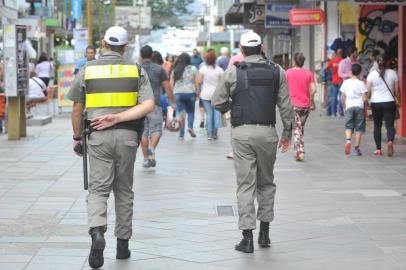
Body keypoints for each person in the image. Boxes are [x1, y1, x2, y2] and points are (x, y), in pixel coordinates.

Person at [67, 26, 154, 269]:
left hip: (97, 136)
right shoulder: (136, 70)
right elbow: (149, 104)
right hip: (127, 137)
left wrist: (77, 137)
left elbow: (76, 107)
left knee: (98, 190)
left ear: (103, 43)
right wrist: (119, 118)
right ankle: (123, 245)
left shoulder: (87, 69)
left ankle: (97, 233)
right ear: (125, 47)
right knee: (124, 190)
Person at [212, 31, 294, 253]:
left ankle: (247, 238)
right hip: (268, 133)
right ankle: (265, 234)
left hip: (242, 134)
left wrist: (233, 105)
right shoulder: (278, 71)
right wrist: (287, 133)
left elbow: (217, 101)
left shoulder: (233, 72)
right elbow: (286, 107)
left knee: (245, 185)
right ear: (261, 48)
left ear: (241, 49)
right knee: (266, 182)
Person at [140, 45, 174, 168]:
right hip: (155, 104)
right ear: (152, 55)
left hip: (140, 106)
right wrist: (172, 101)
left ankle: (145, 159)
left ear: (140, 55)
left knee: (143, 131)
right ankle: (151, 148)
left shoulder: (135, 69)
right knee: (157, 130)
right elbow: (167, 87)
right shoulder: (159, 69)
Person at [366, 55, 401, 156]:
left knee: (377, 126)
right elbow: (397, 90)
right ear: (387, 62)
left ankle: (378, 149)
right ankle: (390, 142)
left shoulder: (371, 74)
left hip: (376, 103)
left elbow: (368, 91)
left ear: (376, 63)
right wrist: (398, 101)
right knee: (390, 126)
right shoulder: (393, 73)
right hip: (389, 102)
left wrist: (366, 101)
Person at [286, 53, 316, 161]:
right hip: (305, 106)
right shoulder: (308, 73)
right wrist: (311, 98)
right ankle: (298, 151)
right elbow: (313, 89)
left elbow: (283, 88)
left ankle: (300, 151)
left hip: (293, 105)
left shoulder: (288, 72)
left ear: (294, 61)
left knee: (296, 129)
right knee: (300, 128)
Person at [340, 64, 369, 156]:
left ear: (351, 72)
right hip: (359, 107)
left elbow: (342, 97)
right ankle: (356, 149)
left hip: (349, 106)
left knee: (349, 125)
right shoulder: (361, 83)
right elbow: (364, 99)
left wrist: (344, 107)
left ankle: (348, 141)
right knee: (359, 128)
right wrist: (366, 105)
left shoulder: (346, 82)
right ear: (360, 73)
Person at [170, 52, 199, 139]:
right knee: (191, 112)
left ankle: (181, 133)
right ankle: (190, 127)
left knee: (181, 112)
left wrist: (171, 97)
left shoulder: (175, 69)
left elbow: (171, 84)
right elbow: (196, 82)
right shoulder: (193, 68)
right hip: (190, 93)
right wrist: (197, 91)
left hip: (178, 93)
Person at [197, 51, 224, 140]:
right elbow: (223, 82)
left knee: (209, 114)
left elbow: (199, 81)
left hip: (205, 94)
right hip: (216, 94)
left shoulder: (202, 70)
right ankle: (215, 134)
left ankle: (209, 135)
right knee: (216, 114)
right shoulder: (219, 70)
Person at [325, 48, 344, 117]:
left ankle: (333, 113)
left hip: (334, 81)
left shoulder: (333, 60)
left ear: (336, 53)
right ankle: (340, 112)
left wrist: (331, 72)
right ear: (342, 53)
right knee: (341, 97)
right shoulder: (343, 61)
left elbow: (326, 68)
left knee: (334, 97)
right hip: (341, 81)